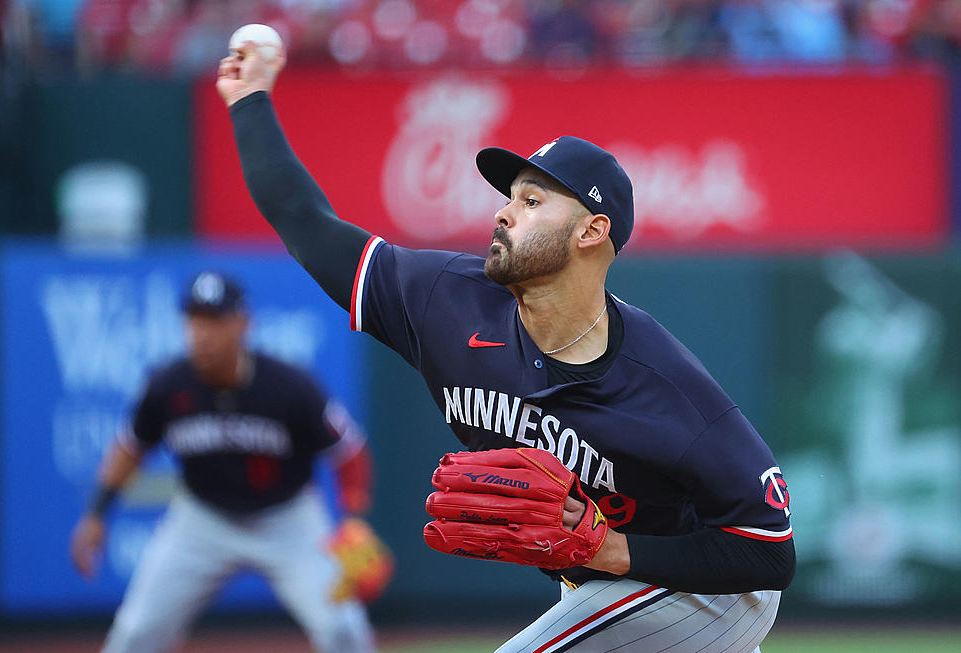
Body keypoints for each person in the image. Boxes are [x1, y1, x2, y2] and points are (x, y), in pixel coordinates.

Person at [215, 44, 796, 653]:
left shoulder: (666, 386)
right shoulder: (444, 300)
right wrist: (250, 99)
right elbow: (306, 224)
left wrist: (611, 548)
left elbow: (768, 551)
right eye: (510, 196)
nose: (503, 213)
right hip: (599, 589)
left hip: (708, 594)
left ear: (591, 232)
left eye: (532, 201)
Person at [69, 271, 379, 653]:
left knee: (342, 630)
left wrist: (354, 519)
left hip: (288, 522)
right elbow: (130, 447)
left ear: (243, 324)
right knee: (135, 634)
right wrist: (97, 511)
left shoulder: (288, 385)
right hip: (202, 520)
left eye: (215, 321)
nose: (203, 334)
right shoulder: (168, 385)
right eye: (195, 320)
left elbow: (348, 451)